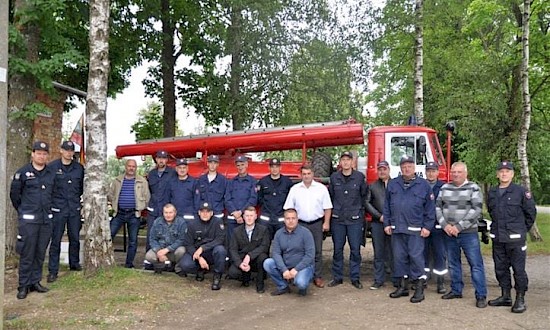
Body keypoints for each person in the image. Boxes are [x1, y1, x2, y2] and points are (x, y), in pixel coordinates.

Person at [383, 156, 435, 303]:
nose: (407, 168)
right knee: (399, 258)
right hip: (397, 229)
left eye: (409, 166)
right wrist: (387, 223)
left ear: (414, 168)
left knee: (416, 258)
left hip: (416, 230)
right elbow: (386, 206)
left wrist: (427, 227)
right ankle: (403, 287)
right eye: (404, 166)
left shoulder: (423, 185)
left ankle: (419, 289)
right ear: (400, 168)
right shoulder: (393, 184)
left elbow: (430, 209)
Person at [487, 161, 537, 313]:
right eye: (501, 171)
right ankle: (505, 296)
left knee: (518, 270)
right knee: (500, 269)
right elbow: (491, 212)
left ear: (512, 174)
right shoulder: (493, 192)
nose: (504, 173)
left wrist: (521, 230)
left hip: (515, 239)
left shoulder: (521, 192)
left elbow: (530, 214)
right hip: (499, 239)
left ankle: (520, 298)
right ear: (497, 174)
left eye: (507, 171)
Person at [436, 161, 488, 308]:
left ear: (465, 173)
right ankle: (456, 290)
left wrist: (459, 227)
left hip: (468, 233)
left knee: (475, 264)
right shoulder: (445, 187)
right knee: (453, 263)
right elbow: (438, 208)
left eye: (459, 172)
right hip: (449, 232)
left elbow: (476, 210)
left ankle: (481, 295)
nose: (456, 175)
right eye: (454, 172)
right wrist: (445, 225)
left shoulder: (473, 188)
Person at [10, 141, 56, 299]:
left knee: (40, 252)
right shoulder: (22, 173)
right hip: (29, 221)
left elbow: (54, 194)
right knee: (27, 253)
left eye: (44, 154)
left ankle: (35, 281)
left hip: (45, 221)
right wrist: (24, 211)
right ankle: (23, 285)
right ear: (33, 154)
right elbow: (15, 196)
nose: (41, 156)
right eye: (39, 153)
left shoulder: (51, 173)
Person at [283, 164, 332, 288]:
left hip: (316, 223)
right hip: (300, 224)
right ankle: (297, 275)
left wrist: (326, 222)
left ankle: (317, 276)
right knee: (298, 250)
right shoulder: (295, 189)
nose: (306, 176)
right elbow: (289, 208)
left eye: (308, 173)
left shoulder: (321, 188)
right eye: (304, 174)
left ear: (313, 174)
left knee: (317, 251)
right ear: (301, 175)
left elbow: (327, 207)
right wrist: (291, 223)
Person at [327, 151, 368, 289]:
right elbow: (331, 196)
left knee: (355, 250)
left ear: (352, 162)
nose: (345, 162)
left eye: (348, 160)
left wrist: (358, 212)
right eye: (343, 159)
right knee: (337, 250)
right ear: (340, 162)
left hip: (354, 219)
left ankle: (355, 277)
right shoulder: (334, 178)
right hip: (338, 219)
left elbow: (364, 197)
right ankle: (337, 277)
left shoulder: (359, 177)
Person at [47, 141, 85, 283]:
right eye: (67, 150)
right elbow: (49, 188)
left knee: (74, 238)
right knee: (56, 239)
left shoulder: (79, 168)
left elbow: (81, 188)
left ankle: (74, 264)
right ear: (61, 151)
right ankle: (53, 270)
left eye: (71, 150)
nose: (69, 153)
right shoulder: (52, 167)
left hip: (74, 208)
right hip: (58, 208)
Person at [108, 159, 151, 268]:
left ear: (136, 168)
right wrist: (114, 203)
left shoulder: (142, 181)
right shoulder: (117, 180)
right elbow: (110, 194)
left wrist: (141, 207)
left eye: (134, 166)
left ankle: (129, 264)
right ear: (125, 167)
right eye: (129, 166)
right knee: (108, 236)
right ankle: (108, 260)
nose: (131, 168)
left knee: (133, 240)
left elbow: (147, 197)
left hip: (134, 214)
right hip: (119, 213)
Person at [263, 208, 315, 296]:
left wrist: (296, 269)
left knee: (301, 283)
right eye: (288, 218)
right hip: (286, 265)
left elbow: (310, 255)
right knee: (268, 263)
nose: (291, 221)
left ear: (297, 219)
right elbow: (276, 253)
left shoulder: (306, 233)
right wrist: (284, 270)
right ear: (284, 220)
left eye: (293, 218)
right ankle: (283, 286)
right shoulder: (279, 234)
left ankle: (301, 284)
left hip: (303, 267)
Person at [179, 202, 227, 290]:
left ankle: (217, 277)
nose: (205, 214)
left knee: (221, 250)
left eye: (207, 212)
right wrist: (199, 257)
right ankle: (200, 270)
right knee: (185, 265)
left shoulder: (218, 222)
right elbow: (188, 244)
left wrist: (203, 248)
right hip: (197, 253)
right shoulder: (192, 224)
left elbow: (220, 239)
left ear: (212, 213)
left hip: (211, 252)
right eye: (203, 211)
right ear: (199, 212)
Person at [228, 206, 271, 293]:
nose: (249, 218)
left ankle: (260, 283)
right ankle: (246, 278)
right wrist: (240, 264)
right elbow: (233, 249)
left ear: (256, 216)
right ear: (243, 217)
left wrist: (250, 256)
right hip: (242, 260)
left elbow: (264, 246)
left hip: (256, 259)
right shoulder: (236, 231)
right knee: (232, 272)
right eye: (247, 216)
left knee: (263, 257)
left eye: (251, 215)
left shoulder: (263, 230)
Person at [144, 150, 175, 269]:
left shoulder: (172, 173)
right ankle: (149, 261)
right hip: (153, 210)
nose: (161, 160)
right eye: (159, 158)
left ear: (167, 160)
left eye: (164, 158)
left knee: (168, 236)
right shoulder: (151, 174)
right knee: (151, 235)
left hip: (166, 211)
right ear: (156, 159)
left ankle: (168, 262)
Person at [366, 160, 394, 290]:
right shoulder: (372, 186)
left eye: (384, 169)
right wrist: (379, 216)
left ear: (389, 170)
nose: (382, 171)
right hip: (378, 223)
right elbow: (367, 203)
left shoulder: (397, 184)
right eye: (380, 169)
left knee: (395, 252)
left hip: (394, 223)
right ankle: (378, 279)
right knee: (379, 253)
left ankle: (396, 279)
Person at [423, 161, 447, 294]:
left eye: (433, 171)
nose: (431, 173)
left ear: (438, 172)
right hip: (425, 225)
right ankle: (424, 278)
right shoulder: (421, 186)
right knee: (423, 253)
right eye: (428, 171)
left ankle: (440, 282)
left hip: (439, 226)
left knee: (440, 254)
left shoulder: (444, 186)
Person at [257, 158, 294, 239]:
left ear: (280, 168)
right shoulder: (263, 182)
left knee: (283, 243)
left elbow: (291, 199)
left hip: (281, 218)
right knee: (264, 244)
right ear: (269, 168)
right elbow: (259, 198)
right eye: (272, 167)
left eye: (276, 167)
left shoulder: (287, 182)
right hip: (266, 219)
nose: (274, 169)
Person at [145, 203, 187, 274]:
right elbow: (152, 239)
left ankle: (178, 268)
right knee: (149, 256)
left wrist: (168, 249)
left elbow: (181, 240)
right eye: (166, 213)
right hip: (160, 250)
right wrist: (158, 251)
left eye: (170, 212)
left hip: (173, 250)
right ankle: (161, 266)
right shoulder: (157, 222)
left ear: (175, 213)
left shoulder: (181, 222)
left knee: (182, 251)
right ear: (163, 213)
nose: (168, 215)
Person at [225, 155, 257, 242]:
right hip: (232, 218)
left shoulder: (252, 181)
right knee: (231, 242)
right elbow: (227, 198)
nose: (240, 167)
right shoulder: (231, 182)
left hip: (246, 218)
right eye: (238, 165)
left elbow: (253, 199)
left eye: (242, 164)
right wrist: (235, 213)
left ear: (246, 165)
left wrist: (241, 212)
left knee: (245, 242)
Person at [197, 154, 228, 222]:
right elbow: (197, 197)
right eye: (210, 162)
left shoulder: (223, 180)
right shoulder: (201, 179)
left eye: (215, 163)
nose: (212, 165)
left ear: (218, 164)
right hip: (204, 214)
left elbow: (226, 198)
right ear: (207, 163)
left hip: (218, 213)